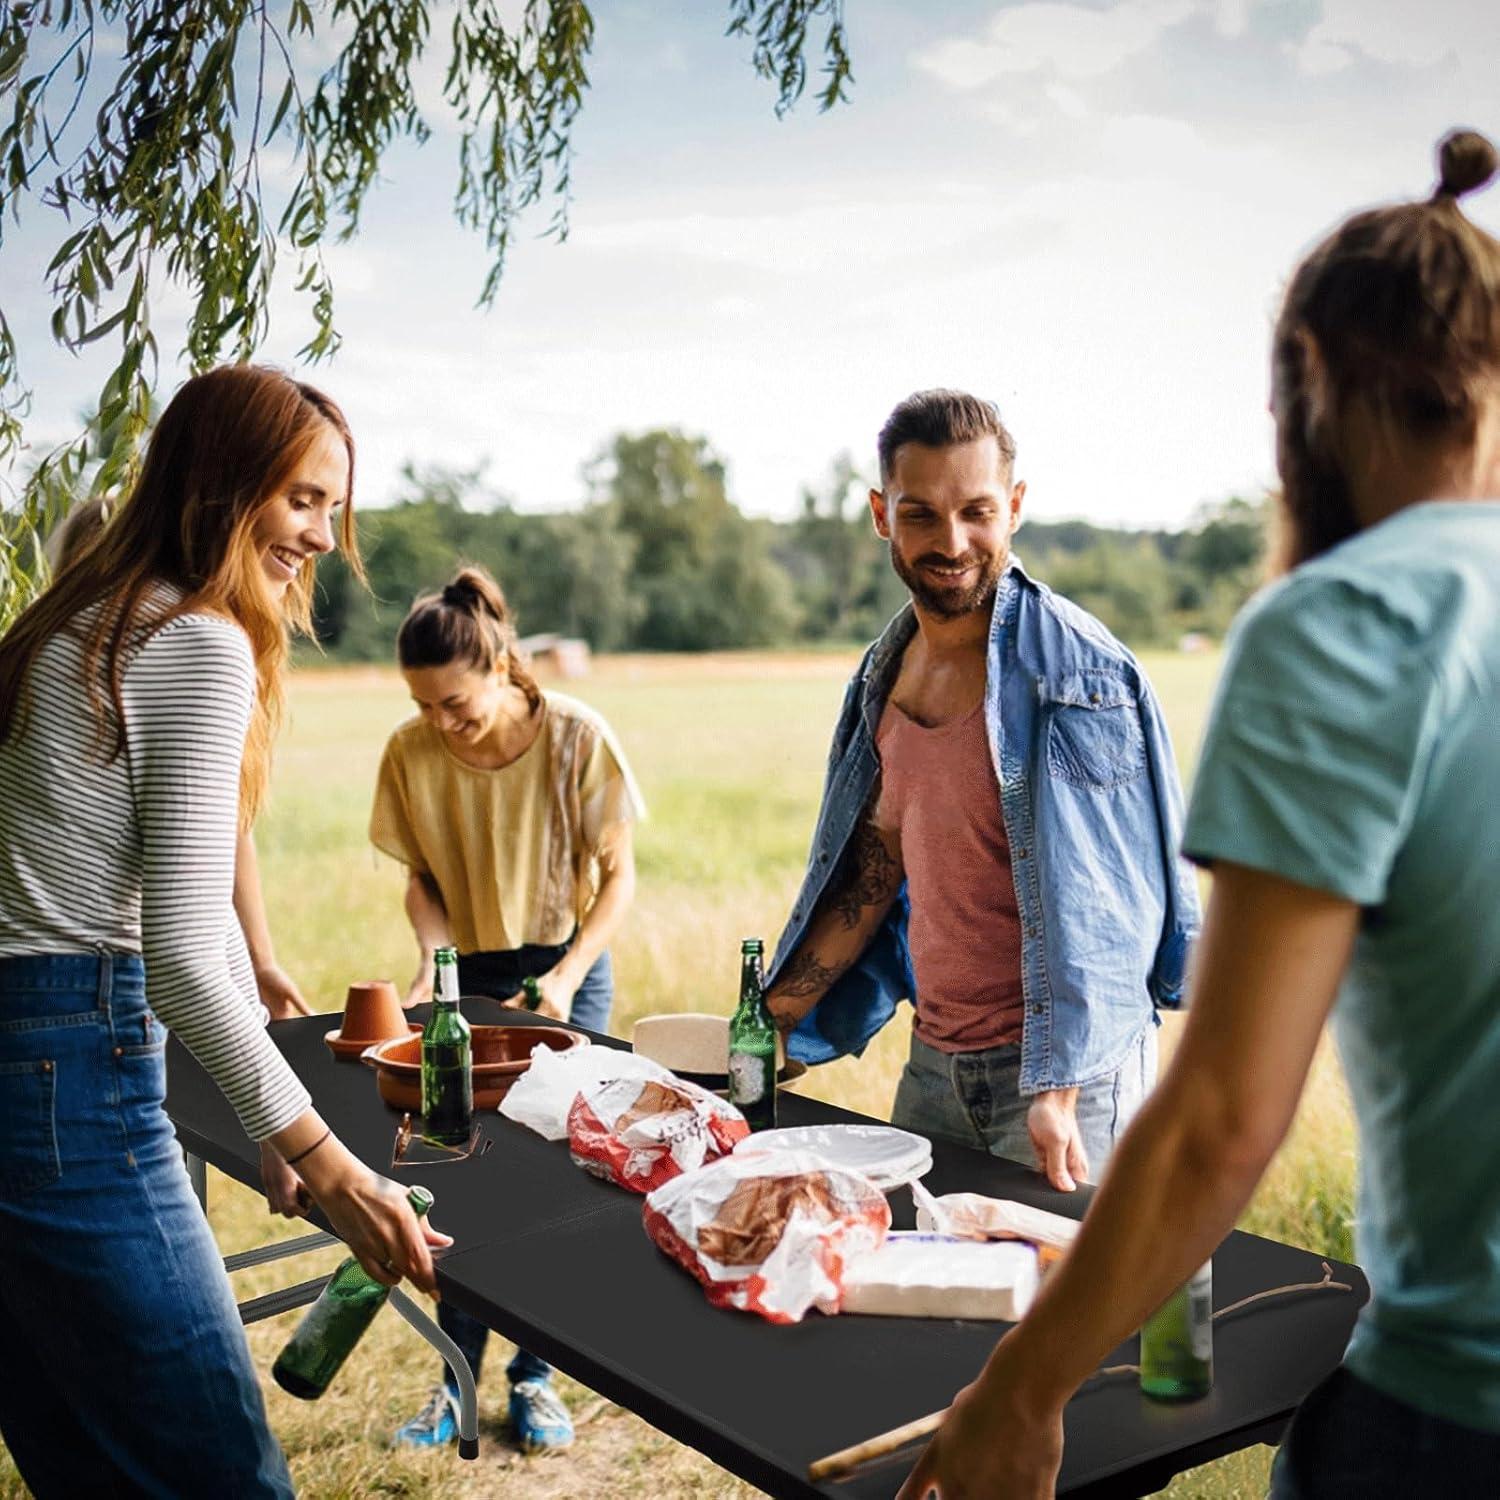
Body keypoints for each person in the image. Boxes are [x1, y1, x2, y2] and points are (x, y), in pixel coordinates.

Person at [898, 129, 1500, 1500]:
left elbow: (1229, 1113)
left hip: (1454, 1420)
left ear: (1310, 394)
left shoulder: (1348, 622)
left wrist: (1022, 1390)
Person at [0, 364, 450, 1498]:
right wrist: (330, 1165)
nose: (318, 532)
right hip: (68, 1067)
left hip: (23, 1058)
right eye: (300, 497)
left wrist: (259, 1117)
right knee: (218, 1472)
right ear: (222, 480)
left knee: (77, 1457)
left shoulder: (68, 626)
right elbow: (186, 954)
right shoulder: (198, 642)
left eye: (333, 506)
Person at [765, 390, 1199, 1192]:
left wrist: (1059, 1086)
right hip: (937, 1064)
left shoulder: (1080, 673)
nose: (952, 541)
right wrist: (770, 1023)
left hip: (1068, 1080)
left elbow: (1116, 905)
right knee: (924, 1299)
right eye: (921, 513)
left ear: (1017, 507)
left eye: (977, 510)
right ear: (880, 514)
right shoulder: (881, 673)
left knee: (1067, 1311)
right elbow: (876, 862)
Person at [370, 563, 644, 1454]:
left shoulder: (575, 737)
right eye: (424, 706)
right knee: (462, 1183)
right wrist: (432, 960)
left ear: (498, 664)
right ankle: (454, 1381)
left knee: (550, 1187)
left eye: (454, 702)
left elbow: (618, 878)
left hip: (563, 969)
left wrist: (564, 977)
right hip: (467, 975)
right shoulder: (411, 752)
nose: (439, 724)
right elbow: (421, 878)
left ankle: (535, 1379)